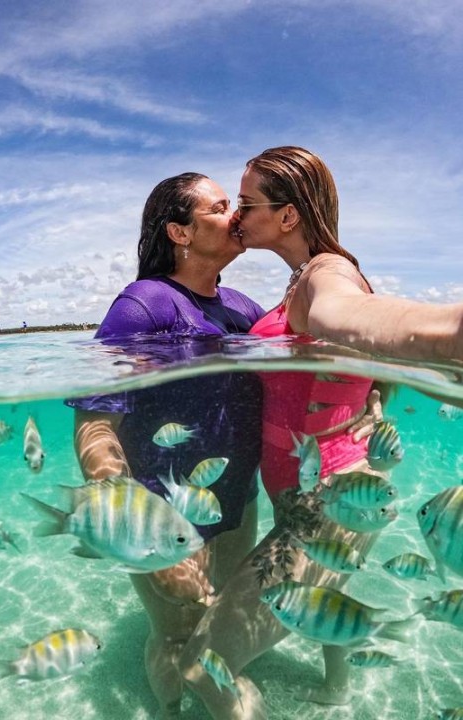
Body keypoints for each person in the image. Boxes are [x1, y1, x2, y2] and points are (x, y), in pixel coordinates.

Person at [178, 146, 463, 720]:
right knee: (332, 597)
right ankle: (338, 689)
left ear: (287, 217)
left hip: (329, 502)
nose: (237, 217)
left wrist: (448, 332)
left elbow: (349, 318)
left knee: (199, 667)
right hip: (324, 494)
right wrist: (374, 402)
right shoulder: (299, 278)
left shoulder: (325, 273)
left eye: (249, 204)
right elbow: (363, 366)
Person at [68, 172, 265, 720]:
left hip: (236, 501)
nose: (238, 214)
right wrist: (135, 523)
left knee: (219, 623)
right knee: (177, 635)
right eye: (221, 206)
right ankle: (171, 712)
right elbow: (95, 422)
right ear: (180, 231)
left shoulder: (243, 309)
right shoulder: (144, 307)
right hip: (161, 510)